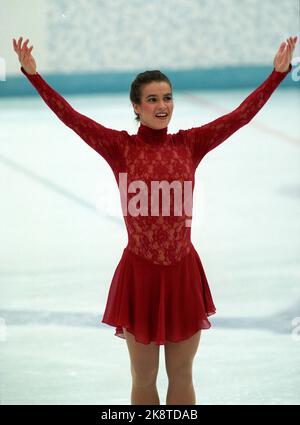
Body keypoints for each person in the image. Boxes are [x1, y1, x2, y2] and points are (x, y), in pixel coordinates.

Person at [13, 35, 297, 405]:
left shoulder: (190, 144)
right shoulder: (121, 148)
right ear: (137, 107)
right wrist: (34, 76)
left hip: (182, 272)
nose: (162, 105)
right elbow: (72, 119)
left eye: (167, 97)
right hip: (140, 275)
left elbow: (239, 117)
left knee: (182, 376)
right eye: (152, 99)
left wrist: (277, 75)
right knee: (143, 378)